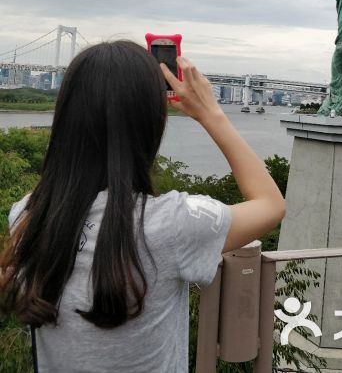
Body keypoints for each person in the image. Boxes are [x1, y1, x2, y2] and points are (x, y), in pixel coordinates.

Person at [0, 40, 285, 372]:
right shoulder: (171, 225)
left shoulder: (28, 215)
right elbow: (271, 203)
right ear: (149, 124)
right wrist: (211, 115)